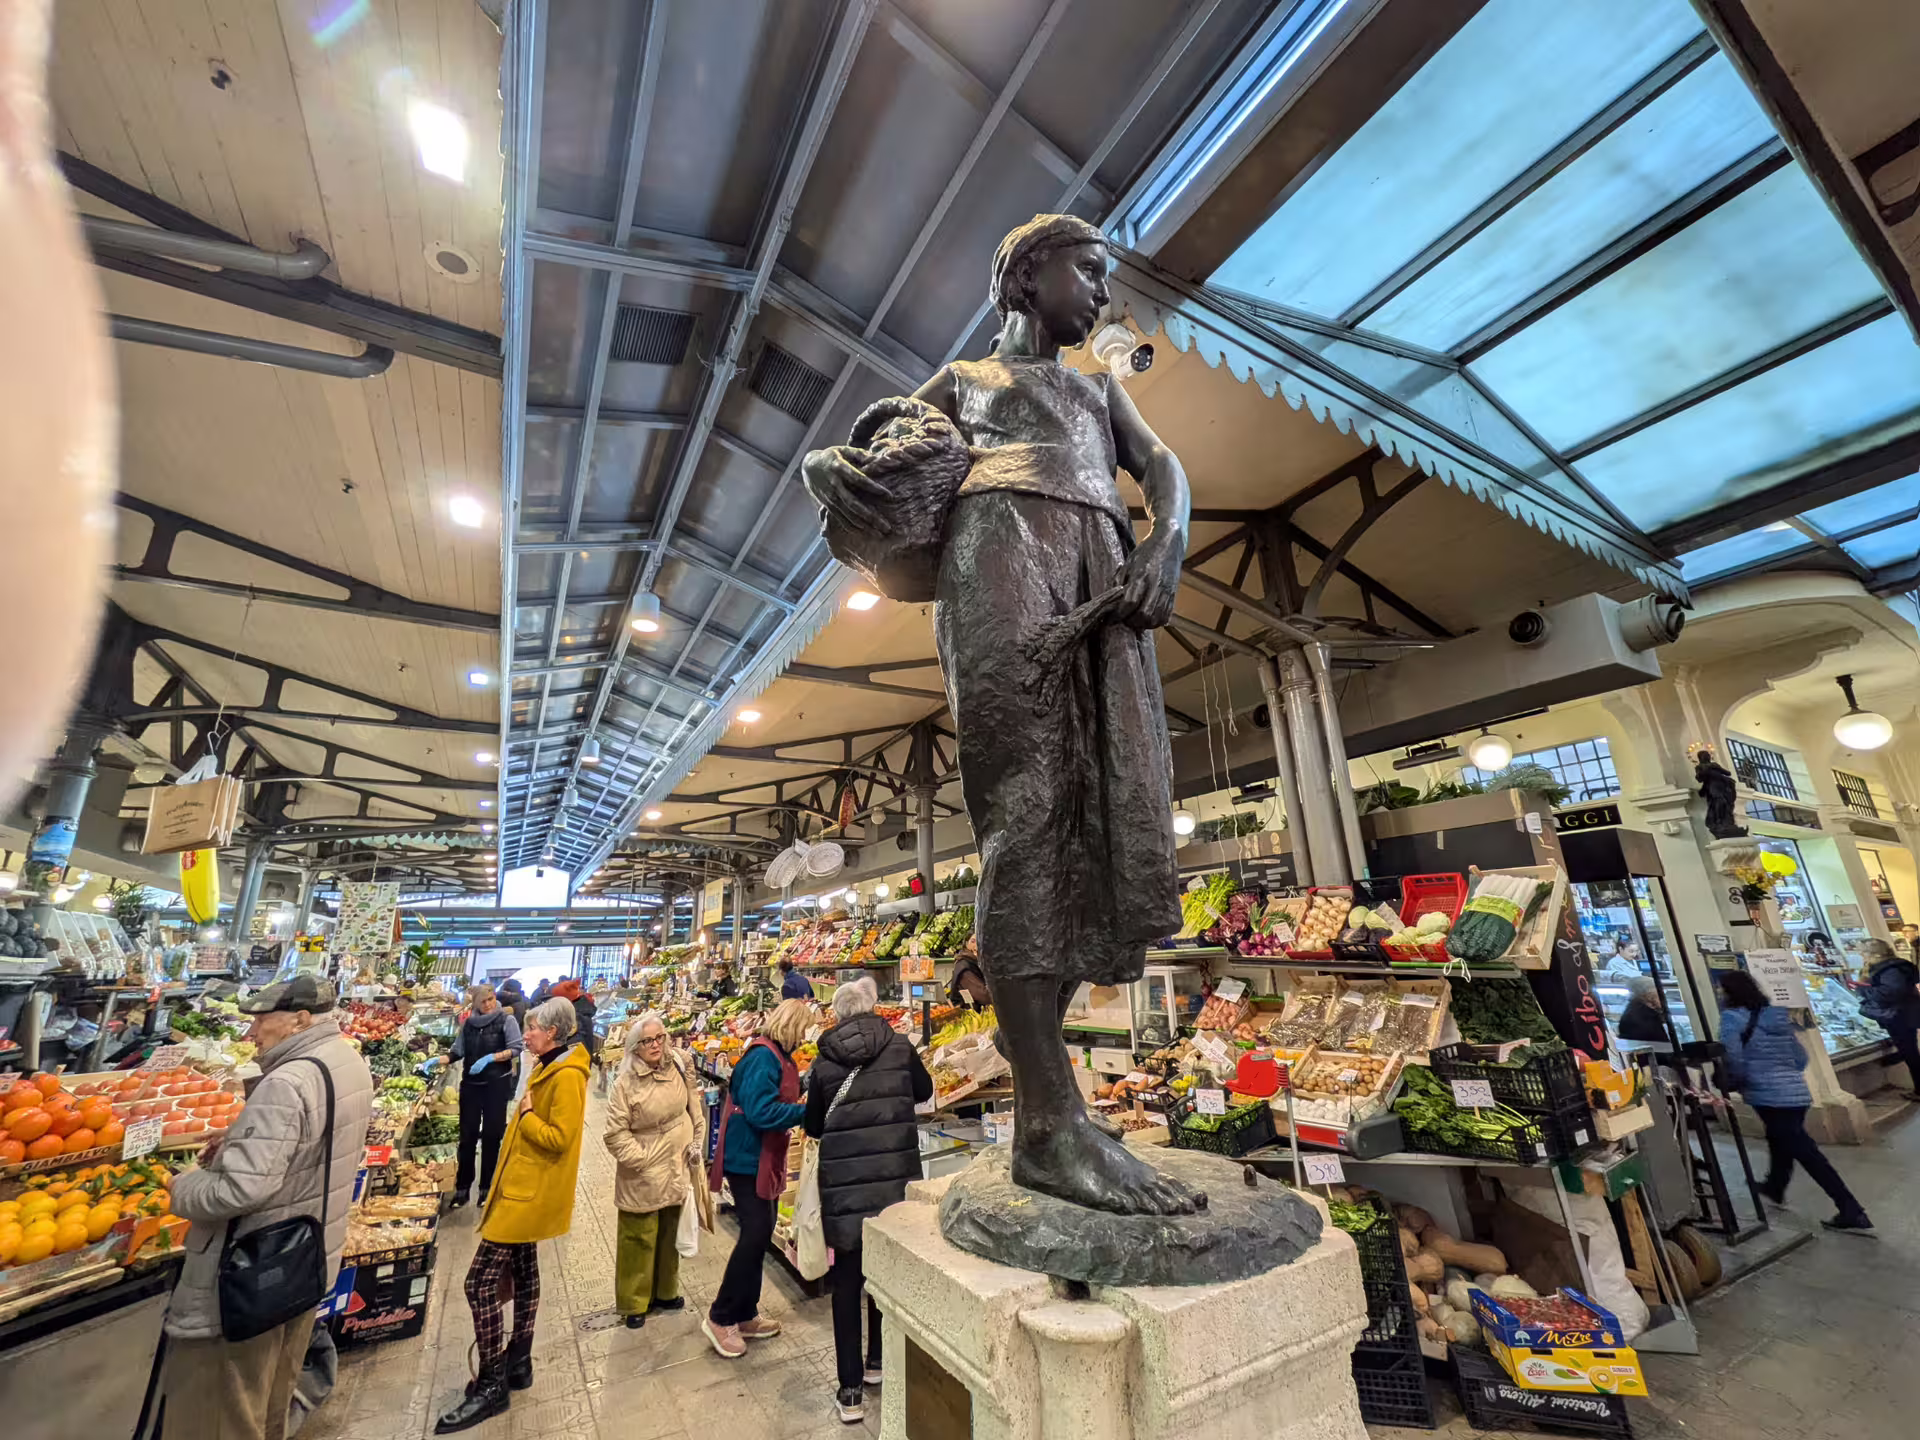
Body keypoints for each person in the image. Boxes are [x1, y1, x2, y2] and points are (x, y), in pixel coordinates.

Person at [803, 214, 1197, 1215]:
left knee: (1115, 803)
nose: (1105, 298)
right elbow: (867, 454)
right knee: (1028, 818)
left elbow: (1164, 468)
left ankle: (1045, 1108)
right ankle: (1050, 1123)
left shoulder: (1102, 389)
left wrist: (1167, 539)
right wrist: (835, 478)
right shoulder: (969, 383)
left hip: (1102, 572)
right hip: (1001, 567)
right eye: (1089, 272)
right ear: (1025, 275)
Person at [160, 977, 374, 1440]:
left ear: (300, 1020)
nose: (251, 1032)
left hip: (252, 1273)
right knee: (272, 1404)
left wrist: (179, 1187)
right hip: (306, 1261)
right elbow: (314, 1146)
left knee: (222, 1414)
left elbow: (238, 1192)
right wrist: (242, 1137)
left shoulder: (287, 1080)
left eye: (261, 1019)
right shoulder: (348, 1061)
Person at [436, 997, 592, 1432]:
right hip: (523, 1185)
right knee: (524, 1272)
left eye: (535, 1029)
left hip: (529, 1193)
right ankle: (518, 1361)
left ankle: (491, 1384)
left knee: (479, 1282)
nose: (527, 1035)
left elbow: (560, 1139)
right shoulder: (548, 1065)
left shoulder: (567, 1078)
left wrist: (524, 1117)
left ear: (555, 1034)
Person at [806, 980, 933, 1423]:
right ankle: (879, 1362)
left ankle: (851, 1390)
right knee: (883, 1274)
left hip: (845, 1191)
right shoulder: (900, 1048)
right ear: (873, 1008)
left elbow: (813, 1126)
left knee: (846, 1285)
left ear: (837, 1016)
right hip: (894, 1189)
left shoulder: (823, 1064)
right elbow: (923, 1090)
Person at [1716, 969, 1872, 1234]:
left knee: (1805, 1151)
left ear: (1731, 992)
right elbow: (1800, 1058)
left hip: (1766, 1093)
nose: (1718, 992)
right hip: (1796, 1093)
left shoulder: (1732, 1018)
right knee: (1780, 1139)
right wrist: (1785, 1072)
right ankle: (1775, 1186)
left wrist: (1738, 1081)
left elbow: (1733, 1057)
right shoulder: (1776, 1016)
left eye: (1721, 988)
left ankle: (1850, 1208)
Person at [702, 996, 812, 1359]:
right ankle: (720, 1315)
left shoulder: (775, 1055)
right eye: (803, 1029)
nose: (804, 1037)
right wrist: (804, 1113)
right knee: (753, 1235)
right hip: (748, 1157)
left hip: (763, 1156)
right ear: (792, 1028)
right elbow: (762, 1112)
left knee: (761, 1232)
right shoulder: (764, 1057)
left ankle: (745, 1313)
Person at [604, 1011, 706, 1327]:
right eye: (647, 1040)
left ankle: (665, 1291)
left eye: (659, 1038)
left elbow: (691, 1102)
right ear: (635, 1046)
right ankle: (634, 1303)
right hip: (644, 1170)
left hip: (676, 1164)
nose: (655, 1045)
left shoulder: (676, 1065)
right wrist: (642, 1159)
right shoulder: (625, 1084)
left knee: (669, 1230)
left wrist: (695, 1141)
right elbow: (614, 1134)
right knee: (639, 1234)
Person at [449, 984, 524, 1209]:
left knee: (492, 1136)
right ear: (476, 1004)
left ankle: (486, 1188)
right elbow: (458, 1051)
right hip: (471, 1085)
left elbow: (516, 1048)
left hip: (496, 1085)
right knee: (467, 1138)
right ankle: (462, 1188)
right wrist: (438, 1061)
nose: (489, 1004)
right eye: (484, 1001)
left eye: (491, 999)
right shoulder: (468, 1024)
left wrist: (492, 1057)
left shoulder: (506, 1021)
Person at [1858, 938, 1920, 1098]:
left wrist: (1864, 990)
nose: (1861, 956)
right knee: (1909, 1050)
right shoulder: (1895, 965)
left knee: (1910, 1052)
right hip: (1905, 1013)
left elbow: (1891, 992)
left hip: (1900, 1015)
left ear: (1874, 954)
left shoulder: (1889, 969)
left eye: (1863, 953)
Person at [1616, 976, 1670, 1043]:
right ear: (1649, 995)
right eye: (1659, 993)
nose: (1663, 997)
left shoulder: (1639, 1009)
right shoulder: (1639, 1017)